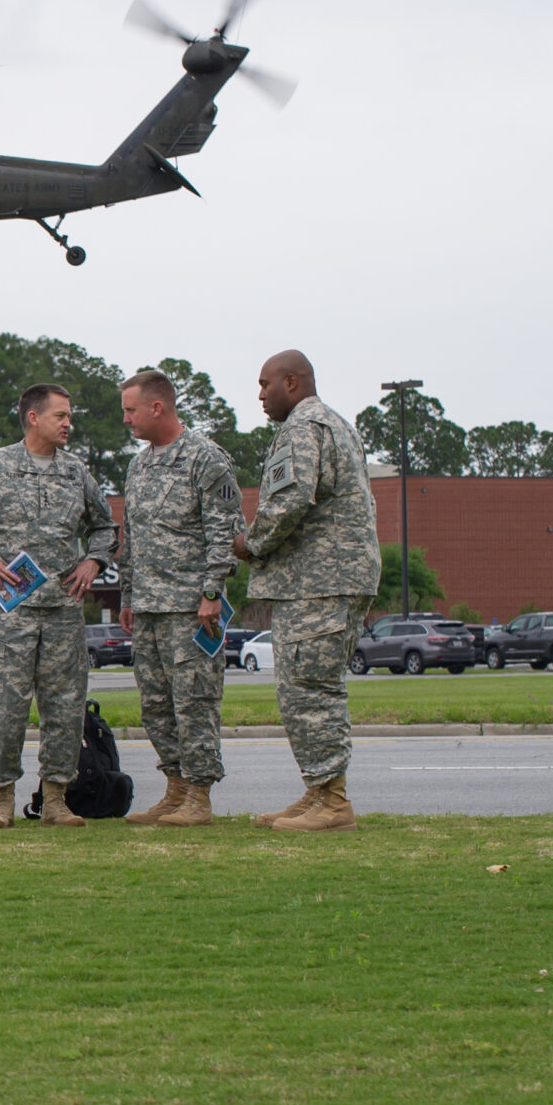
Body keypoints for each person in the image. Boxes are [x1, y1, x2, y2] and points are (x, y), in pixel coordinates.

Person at [0, 383, 117, 829]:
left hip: (62, 613)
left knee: (66, 711)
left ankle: (55, 801)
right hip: (7, 614)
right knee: (3, 711)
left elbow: (106, 527)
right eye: (61, 416)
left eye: (70, 416)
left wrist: (93, 560)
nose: (69, 423)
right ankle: (1, 802)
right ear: (33, 418)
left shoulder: (77, 473)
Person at [234, 349, 382, 831]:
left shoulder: (303, 426)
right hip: (330, 578)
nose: (260, 395)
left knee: (310, 689)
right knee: (304, 685)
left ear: (292, 383)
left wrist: (252, 543)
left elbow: (291, 497)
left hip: (320, 581)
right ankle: (318, 792)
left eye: (265, 384)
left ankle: (333, 803)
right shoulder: (336, 425)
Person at [115, 368, 243, 827]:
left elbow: (225, 532)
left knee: (194, 701)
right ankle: (175, 788)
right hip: (148, 606)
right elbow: (132, 536)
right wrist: (127, 594)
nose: (126, 420)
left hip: (191, 610)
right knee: (155, 703)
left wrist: (212, 592)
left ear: (157, 407)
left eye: (131, 410)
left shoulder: (205, 458)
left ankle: (199, 796)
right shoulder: (140, 464)